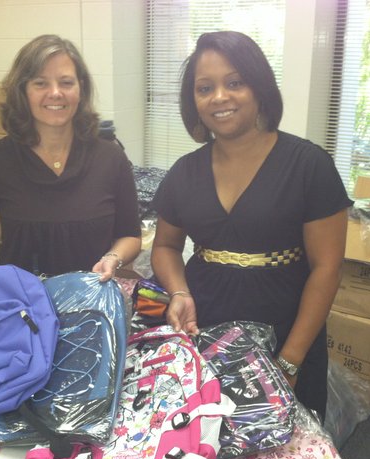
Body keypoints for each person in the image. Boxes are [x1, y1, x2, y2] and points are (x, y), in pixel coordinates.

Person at [150, 31, 352, 420]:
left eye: (235, 82)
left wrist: (290, 362)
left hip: (284, 331)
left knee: (283, 454)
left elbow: (327, 268)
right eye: (205, 88)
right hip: (203, 325)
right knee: (203, 437)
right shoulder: (184, 172)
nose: (220, 97)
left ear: (259, 87)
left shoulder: (309, 165)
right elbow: (165, 247)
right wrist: (178, 293)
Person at [0, 35, 141, 282]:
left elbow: (130, 235)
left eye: (66, 82)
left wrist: (113, 258)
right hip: (23, 306)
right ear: (23, 91)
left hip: (91, 305)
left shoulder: (110, 158)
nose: (55, 93)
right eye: (40, 83)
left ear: (80, 88)